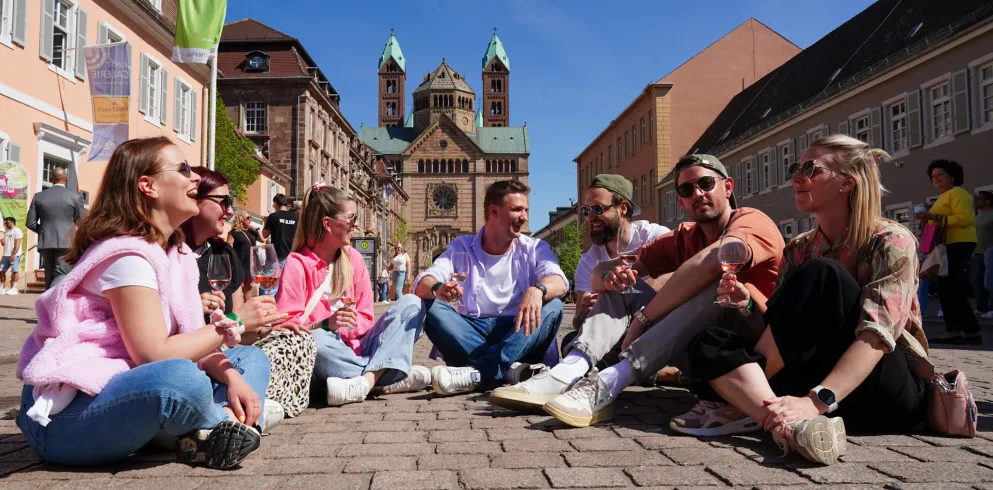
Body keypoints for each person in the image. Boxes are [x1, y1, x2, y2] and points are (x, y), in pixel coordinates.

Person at [15, 137, 282, 468]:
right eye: (183, 169)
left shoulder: (176, 254)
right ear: (148, 185)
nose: (195, 178)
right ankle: (226, 422)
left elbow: (193, 342)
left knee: (248, 359)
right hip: (66, 422)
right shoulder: (127, 254)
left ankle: (208, 428)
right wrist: (236, 322)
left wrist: (233, 378)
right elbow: (153, 354)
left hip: (125, 393)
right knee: (182, 377)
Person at [676, 135, 930, 466]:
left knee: (823, 274)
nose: (795, 176)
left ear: (846, 183)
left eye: (810, 168)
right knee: (707, 341)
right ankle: (791, 427)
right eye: (796, 167)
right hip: (816, 393)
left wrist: (816, 400)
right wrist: (748, 307)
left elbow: (876, 337)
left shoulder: (891, 241)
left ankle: (755, 407)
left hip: (884, 391)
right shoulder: (798, 248)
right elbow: (781, 331)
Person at [495, 155, 784, 427]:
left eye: (705, 184)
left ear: (728, 186)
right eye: (686, 189)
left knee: (714, 286)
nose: (697, 193)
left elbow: (711, 262)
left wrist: (644, 318)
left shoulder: (751, 221)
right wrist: (613, 277)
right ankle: (568, 371)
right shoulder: (684, 236)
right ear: (681, 202)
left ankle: (609, 382)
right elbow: (603, 272)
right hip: (698, 349)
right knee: (624, 288)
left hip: (751, 353)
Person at [276, 183, 430, 406]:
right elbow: (287, 326)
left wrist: (348, 328)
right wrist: (325, 325)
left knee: (412, 303)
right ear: (328, 224)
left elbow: (366, 318)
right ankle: (389, 375)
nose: (355, 224)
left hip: (361, 347)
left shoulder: (353, 259)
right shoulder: (297, 264)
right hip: (328, 352)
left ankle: (366, 382)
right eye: (351, 218)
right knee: (316, 341)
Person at [181, 167, 317, 419]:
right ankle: (244, 413)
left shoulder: (223, 253)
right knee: (249, 360)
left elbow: (236, 325)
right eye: (224, 202)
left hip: (222, 349)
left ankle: (236, 413)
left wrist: (266, 328)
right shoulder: (171, 255)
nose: (230, 211)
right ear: (192, 200)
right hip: (190, 354)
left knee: (296, 341)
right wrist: (193, 306)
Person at [416, 180, 568, 395]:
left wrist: (538, 289)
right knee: (428, 306)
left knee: (553, 306)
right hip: (471, 331)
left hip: (518, 330)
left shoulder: (534, 247)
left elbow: (558, 280)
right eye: (517, 209)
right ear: (494, 211)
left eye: (526, 210)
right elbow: (424, 281)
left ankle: (479, 374)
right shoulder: (461, 247)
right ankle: (506, 369)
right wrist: (438, 288)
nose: (524, 217)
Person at [915, 159, 980, 344]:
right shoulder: (943, 196)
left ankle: (965, 330)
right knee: (947, 286)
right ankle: (959, 329)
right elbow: (936, 222)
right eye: (933, 176)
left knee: (951, 286)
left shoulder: (958, 193)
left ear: (952, 176)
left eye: (940, 174)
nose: (935, 178)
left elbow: (964, 219)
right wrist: (925, 220)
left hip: (959, 242)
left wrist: (932, 217)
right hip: (948, 244)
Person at [27, 166, 83, 289]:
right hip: (67, 241)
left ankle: (47, 303)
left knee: (49, 275)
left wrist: (44, 231)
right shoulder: (75, 196)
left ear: (51, 178)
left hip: (46, 241)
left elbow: (30, 223)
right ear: (66, 179)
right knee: (62, 273)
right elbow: (82, 222)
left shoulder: (38, 196)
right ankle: (56, 304)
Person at [262, 193, 298, 296]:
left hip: (275, 255)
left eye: (274, 204)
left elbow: (264, 235)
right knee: (287, 286)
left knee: (270, 286)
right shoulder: (295, 217)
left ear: (277, 203)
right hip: (291, 255)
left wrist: (266, 222)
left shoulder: (273, 216)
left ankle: (269, 310)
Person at [229, 210, 262, 301]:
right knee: (239, 288)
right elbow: (228, 247)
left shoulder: (252, 232)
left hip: (251, 263)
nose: (250, 219)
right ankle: (238, 309)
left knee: (249, 287)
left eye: (250, 217)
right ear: (240, 219)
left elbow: (263, 240)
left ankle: (247, 308)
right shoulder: (233, 232)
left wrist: (257, 230)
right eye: (248, 217)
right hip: (239, 263)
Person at [972, 191, 993, 319]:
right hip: (977, 253)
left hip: (990, 254)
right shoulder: (977, 217)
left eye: (979, 199)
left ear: (988, 201)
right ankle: (982, 308)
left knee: (990, 282)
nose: (977, 201)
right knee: (976, 282)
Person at [0, 217, 23, 295]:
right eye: (5, 223)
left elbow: (17, 243)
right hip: (5, 255)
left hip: (14, 255)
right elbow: (4, 243)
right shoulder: (6, 232)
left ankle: (14, 288)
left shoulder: (17, 231)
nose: (5, 224)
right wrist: (2, 242)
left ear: (12, 222)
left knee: (14, 271)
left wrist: (13, 254)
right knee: (1, 271)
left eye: (7, 222)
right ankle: (2, 288)